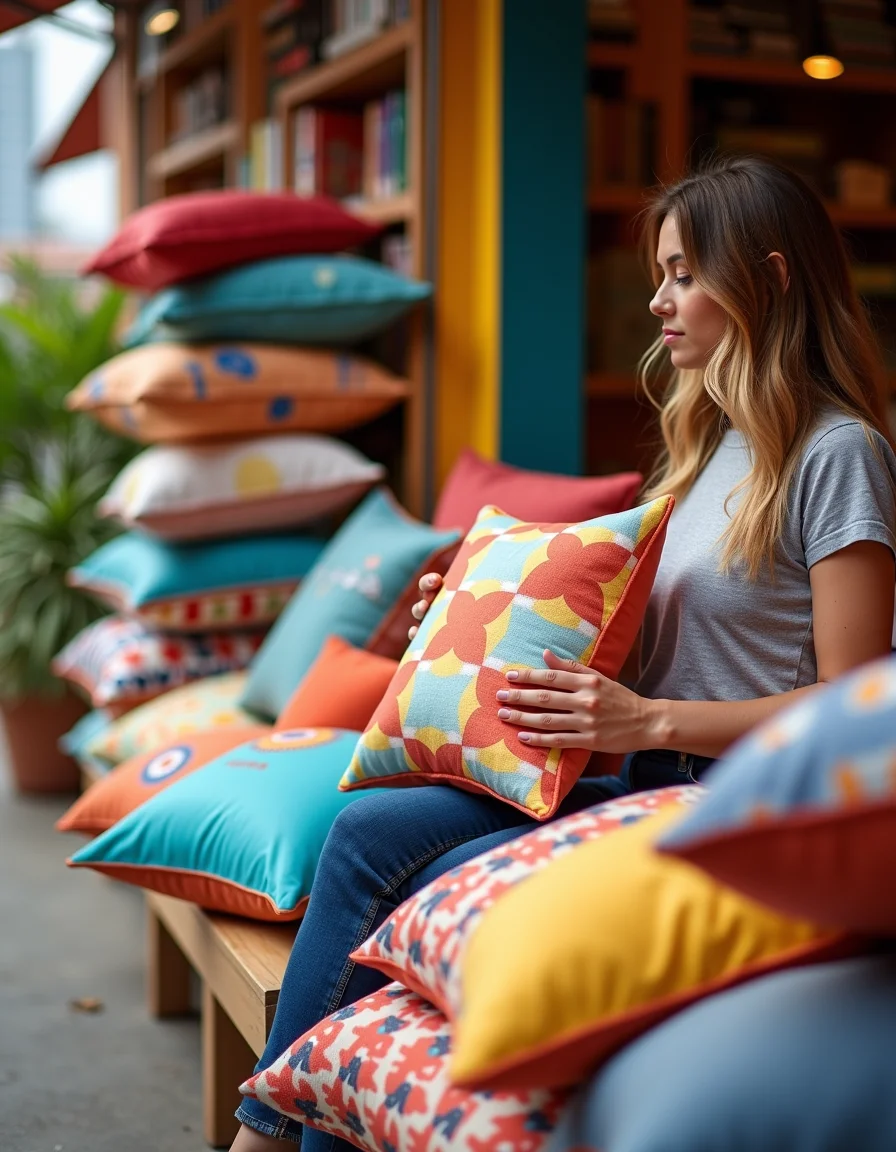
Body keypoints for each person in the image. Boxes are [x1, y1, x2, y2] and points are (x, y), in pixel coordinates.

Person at [231, 155, 896, 1150]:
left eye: (683, 274)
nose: (658, 300)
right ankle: (279, 1128)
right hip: (627, 772)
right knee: (369, 830)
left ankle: (266, 1137)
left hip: (714, 796)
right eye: (660, 274)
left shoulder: (838, 454)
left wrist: (646, 719)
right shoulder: (707, 447)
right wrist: (468, 621)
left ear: (768, 278)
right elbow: (640, 644)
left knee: (424, 883)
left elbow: (859, 703)